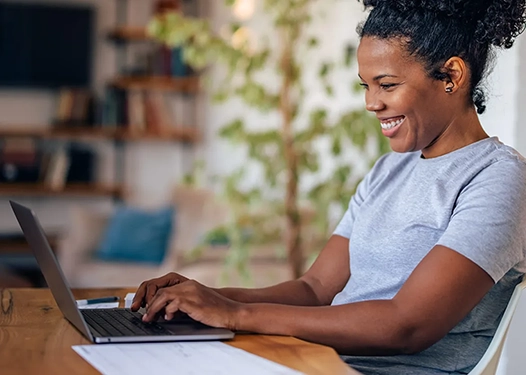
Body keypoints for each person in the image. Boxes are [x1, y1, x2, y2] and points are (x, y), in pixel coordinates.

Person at [132, 0, 526, 373]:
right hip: (313, 361)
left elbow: (407, 325)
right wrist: (209, 297)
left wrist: (237, 315)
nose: (372, 103)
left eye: (386, 85)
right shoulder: (388, 170)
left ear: (452, 76)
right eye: (365, 86)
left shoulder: (498, 178)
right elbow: (315, 288)